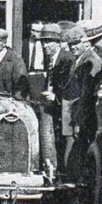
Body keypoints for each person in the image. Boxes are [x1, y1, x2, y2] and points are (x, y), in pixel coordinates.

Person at [63, 26, 102, 172]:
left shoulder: (92, 61)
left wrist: (78, 121)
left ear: (86, 43)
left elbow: (86, 94)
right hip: (74, 112)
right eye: (70, 45)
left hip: (82, 115)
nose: (73, 47)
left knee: (78, 150)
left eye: (76, 43)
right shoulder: (79, 59)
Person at [37, 24, 74, 172]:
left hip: (65, 107)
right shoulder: (52, 58)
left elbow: (69, 85)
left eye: (49, 42)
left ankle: (63, 173)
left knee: (64, 142)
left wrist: (56, 96)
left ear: (58, 42)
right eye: (43, 42)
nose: (45, 45)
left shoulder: (66, 59)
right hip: (54, 106)